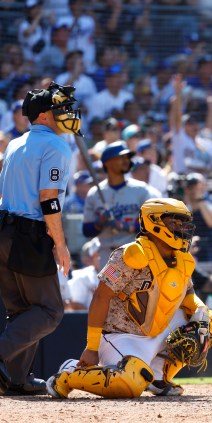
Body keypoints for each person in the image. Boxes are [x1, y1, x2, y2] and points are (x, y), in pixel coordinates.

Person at [45, 198, 212, 399]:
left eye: (182, 223)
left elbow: (187, 296)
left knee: (209, 319)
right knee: (130, 386)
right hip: (121, 337)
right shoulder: (131, 254)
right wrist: (91, 347)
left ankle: (158, 377)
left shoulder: (182, 258)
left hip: (156, 330)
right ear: (154, 222)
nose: (181, 228)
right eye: (174, 222)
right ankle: (69, 373)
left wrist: (200, 310)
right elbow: (101, 297)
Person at [0, 82, 81, 395]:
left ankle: (16, 380)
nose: (67, 114)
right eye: (61, 109)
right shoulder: (57, 146)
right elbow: (49, 199)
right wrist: (60, 244)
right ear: (45, 115)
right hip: (29, 233)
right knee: (49, 311)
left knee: (21, 310)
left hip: (5, 229)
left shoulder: (16, 143)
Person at [82, 141, 158, 268]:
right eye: (121, 157)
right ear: (108, 162)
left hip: (136, 253)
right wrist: (100, 222)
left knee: (138, 288)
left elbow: (152, 225)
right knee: (108, 288)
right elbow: (86, 230)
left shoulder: (141, 189)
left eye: (127, 157)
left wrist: (127, 226)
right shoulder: (94, 193)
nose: (126, 161)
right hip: (107, 256)